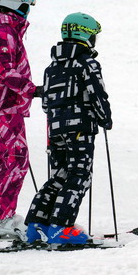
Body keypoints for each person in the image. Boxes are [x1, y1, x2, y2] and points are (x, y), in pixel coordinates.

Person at [24, 13, 111, 245]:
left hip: (55, 128)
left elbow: (46, 102)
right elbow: (97, 94)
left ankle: (36, 225)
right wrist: (105, 118)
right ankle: (61, 227)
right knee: (79, 174)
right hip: (80, 127)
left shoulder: (52, 67)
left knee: (60, 175)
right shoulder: (87, 63)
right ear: (85, 35)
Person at [0, 0, 40, 238]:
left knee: (10, 160)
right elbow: (6, 71)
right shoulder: (4, 29)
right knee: (15, 160)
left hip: (3, 105)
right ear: (19, 5)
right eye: (27, 6)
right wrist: (34, 89)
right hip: (3, 105)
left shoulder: (3, 27)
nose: (28, 13)